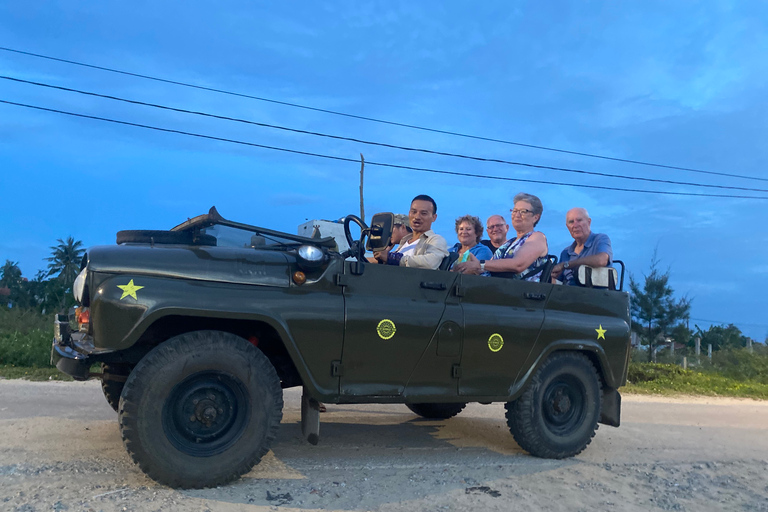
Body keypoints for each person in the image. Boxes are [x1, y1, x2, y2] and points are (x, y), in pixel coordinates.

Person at [454, 192, 548, 281]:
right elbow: (489, 268)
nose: (517, 215)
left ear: (536, 217)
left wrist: (479, 264)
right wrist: (472, 265)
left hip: (522, 294)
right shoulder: (509, 243)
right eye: (514, 211)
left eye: (523, 211)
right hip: (496, 290)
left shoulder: (537, 237)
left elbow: (518, 265)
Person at [374, 194, 448, 269]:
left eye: (423, 213)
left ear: (434, 217)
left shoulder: (436, 240)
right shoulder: (404, 242)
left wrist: (393, 258)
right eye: (414, 212)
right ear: (409, 213)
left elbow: (430, 263)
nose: (417, 217)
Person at [550, 207, 613, 285]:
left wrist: (566, 265)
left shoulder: (600, 239)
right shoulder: (565, 253)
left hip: (595, 294)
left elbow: (602, 260)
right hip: (566, 294)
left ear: (589, 222)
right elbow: (557, 282)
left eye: (579, 220)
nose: (575, 225)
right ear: (567, 227)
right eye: (571, 222)